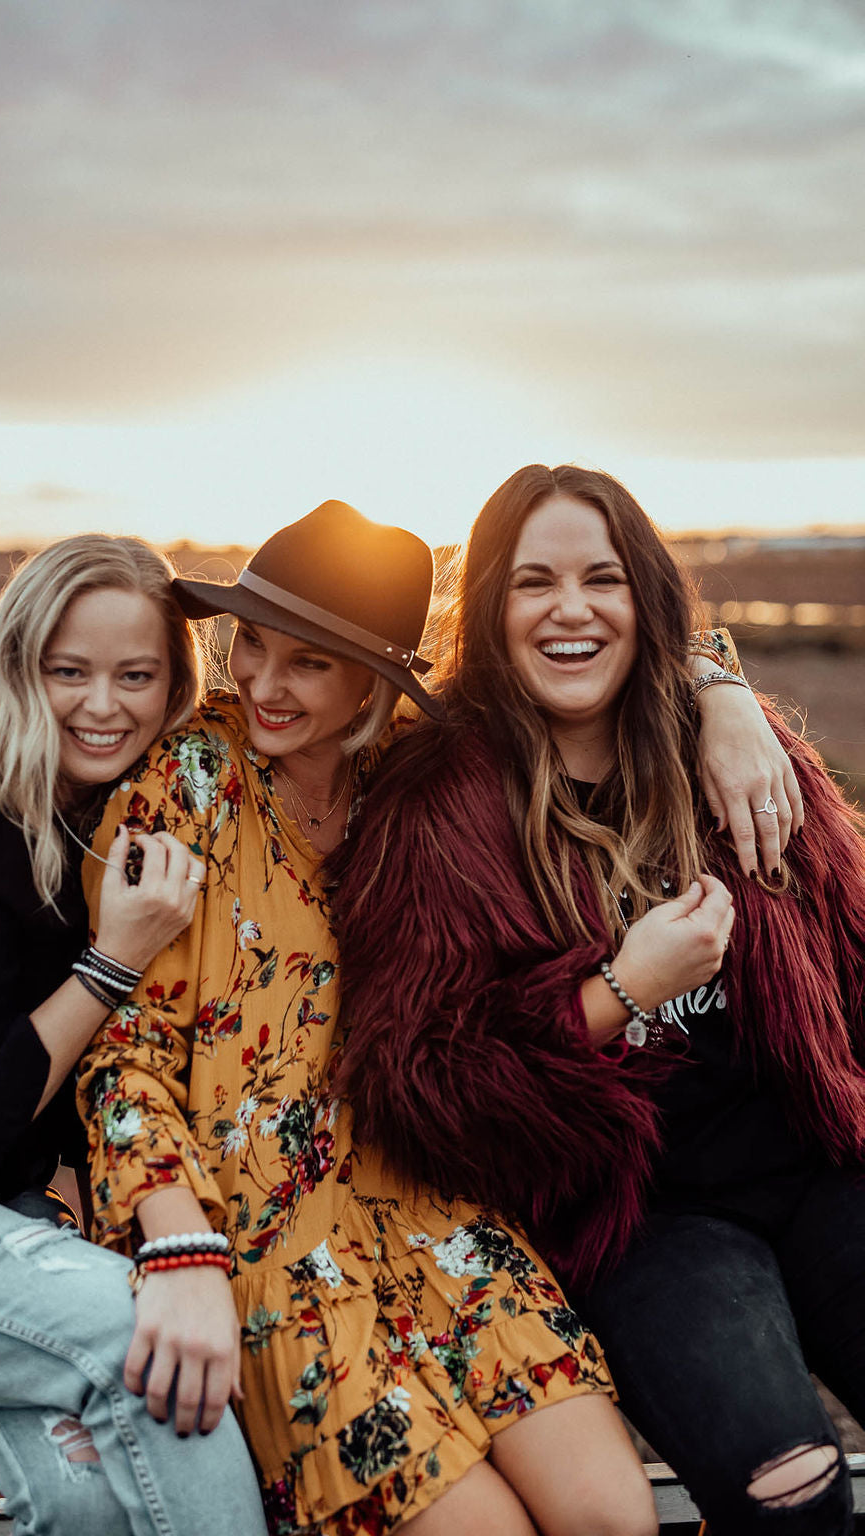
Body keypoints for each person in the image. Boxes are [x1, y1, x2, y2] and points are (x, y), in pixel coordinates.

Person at [76, 498, 791, 1536]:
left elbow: (599, 650)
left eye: (307, 665)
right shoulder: (189, 782)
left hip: (431, 1198)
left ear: (374, 678)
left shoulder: (427, 775)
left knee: (612, 1514)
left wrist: (725, 697)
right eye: (250, 647)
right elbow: (124, 1054)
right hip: (264, 1232)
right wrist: (178, 1247)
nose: (263, 685)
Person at [330, 465, 865, 1536]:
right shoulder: (435, 804)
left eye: (602, 579)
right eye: (533, 582)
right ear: (491, 607)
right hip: (638, 1216)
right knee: (791, 1492)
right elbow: (414, 1081)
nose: (569, 609)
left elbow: (854, 959)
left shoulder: (742, 758)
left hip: (818, 1163)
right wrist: (622, 991)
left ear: (645, 602)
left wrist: (719, 691)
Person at [0, 534, 267, 1536]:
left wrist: (713, 690)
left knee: (87, 1498)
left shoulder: (101, 809)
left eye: (135, 676)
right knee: (145, 1328)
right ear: (15, 668)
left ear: (175, 689)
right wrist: (110, 962)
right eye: (66, 672)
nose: (101, 705)